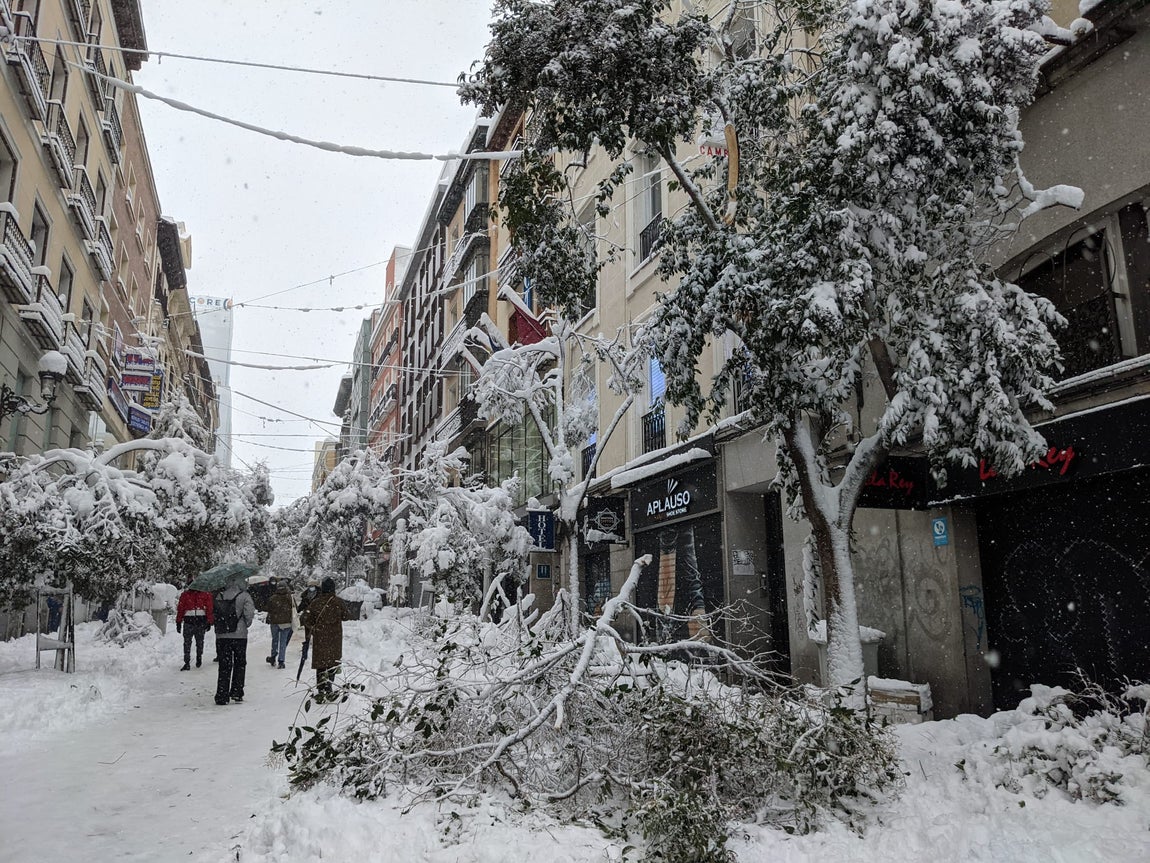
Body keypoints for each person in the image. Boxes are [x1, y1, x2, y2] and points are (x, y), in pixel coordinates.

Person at [214, 571, 256, 705]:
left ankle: (222, 694)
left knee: (224, 665)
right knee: (240, 663)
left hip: (222, 635)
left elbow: (214, 612)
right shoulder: (244, 596)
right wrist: (245, 624)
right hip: (239, 635)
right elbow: (249, 614)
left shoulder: (219, 596)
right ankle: (237, 692)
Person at [301, 577, 343, 700]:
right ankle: (329, 688)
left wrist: (314, 629)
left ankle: (320, 690)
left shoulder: (316, 602)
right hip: (335, 638)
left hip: (320, 637)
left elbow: (305, 618)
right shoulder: (338, 602)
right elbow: (346, 616)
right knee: (331, 663)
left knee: (321, 663)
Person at [175, 579, 214, 670]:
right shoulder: (205, 595)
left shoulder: (185, 595)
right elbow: (209, 609)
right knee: (199, 642)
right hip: (200, 622)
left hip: (189, 622)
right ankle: (198, 658)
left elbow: (180, 609)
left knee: (187, 643)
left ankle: (188, 661)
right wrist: (209, 621)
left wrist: (179, 622)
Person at [265, 580, 295, 669]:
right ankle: (281, 661)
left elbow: (268, 609)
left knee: (275, 640)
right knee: (283, 642)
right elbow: (295, 608)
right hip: (286, 623)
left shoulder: (273, 598)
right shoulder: (290, 597)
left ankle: (273, 657)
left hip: (275, 623)